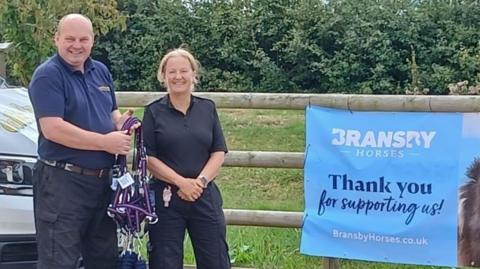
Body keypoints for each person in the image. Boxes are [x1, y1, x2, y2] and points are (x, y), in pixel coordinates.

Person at [28, 13, 136, 269]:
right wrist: (105, 142)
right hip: (62, 183)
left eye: (83, 39)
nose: (77, 45)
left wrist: (122, 125)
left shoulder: (101, 71)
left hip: (102, 183)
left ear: (92, 41)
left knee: (104, 259)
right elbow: (53, 129)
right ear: (56, 39)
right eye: (70, 39)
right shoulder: (47, 76)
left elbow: (111, 114)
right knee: (59, 260)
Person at [143, 48, 230, 269]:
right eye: (172, 71)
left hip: (204, 194)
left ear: (193, 74)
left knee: (216, 259)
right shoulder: (153, 111)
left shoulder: (207, 108)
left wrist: (199, 183)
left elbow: (218, 151)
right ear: (163, 76)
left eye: (184, 70)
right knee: (165, 261)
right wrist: (181, 182)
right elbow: (149, 158)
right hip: (166, 198)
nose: (178, 76)